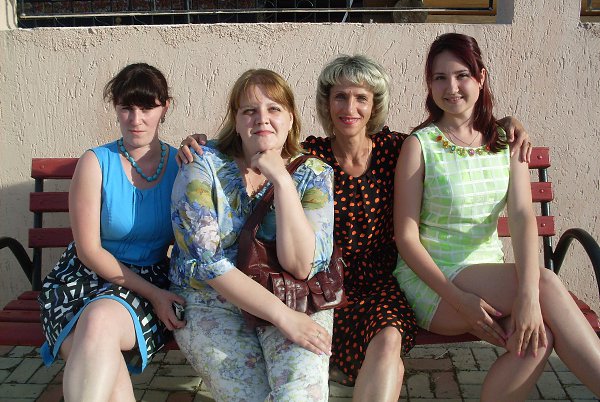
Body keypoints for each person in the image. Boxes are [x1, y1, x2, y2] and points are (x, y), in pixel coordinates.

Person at [177, 56, 531, 402]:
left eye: (361, 97)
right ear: (326, 103)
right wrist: (198, 144)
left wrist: (504, 123)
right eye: (340, 97)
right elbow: (257, 149)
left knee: (389, 340)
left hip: (379, 284)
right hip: (329, 287)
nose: (350, 108)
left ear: (374, 105)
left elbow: (449, 132)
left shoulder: (396, 149)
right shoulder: (311, 157)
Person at [393, 32, 600, 401]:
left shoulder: (505, 140)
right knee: (545, 283)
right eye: (440, 77)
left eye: (462, 75)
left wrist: (526, 300)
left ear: (481, 78)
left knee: (537, 339)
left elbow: (521, 216)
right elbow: (406, 238)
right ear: (429, 84)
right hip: (435, 283)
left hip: (489, 278)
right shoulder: (420, 145)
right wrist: (465, 299)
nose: (451, 87)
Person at [169, 69, 335, 401]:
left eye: (274, 109)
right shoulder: (202, 166)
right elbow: (207, 263)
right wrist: (283, 318)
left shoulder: (314, 174)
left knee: (299, 395)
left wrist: (282, 181)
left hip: (292, 295)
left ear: (290, 118)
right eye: (250, 110)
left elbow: (301, 266)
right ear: (236, 120)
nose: (262, 118)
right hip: (212, 302)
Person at [38, 63, 186, 402]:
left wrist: (204, 145)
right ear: (116, 108)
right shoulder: (95, 162)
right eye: (126, 108)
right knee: (98, 342)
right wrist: (155, 295)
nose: (136, 119)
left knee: (97, 327)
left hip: (148, 284)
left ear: (165, 107)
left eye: (147, 107)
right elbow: (89, 251)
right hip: (80, 282)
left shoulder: (181, 165)